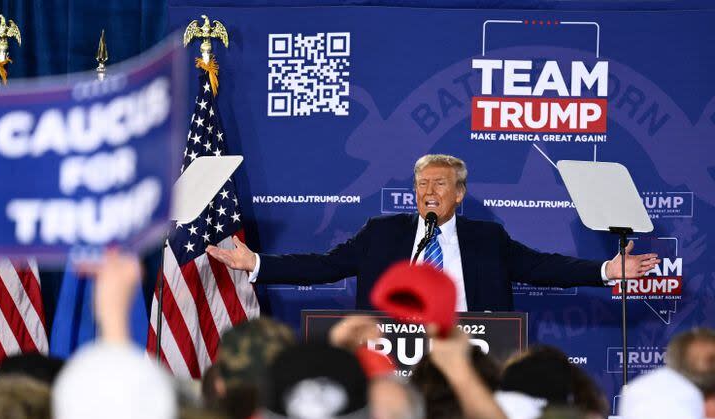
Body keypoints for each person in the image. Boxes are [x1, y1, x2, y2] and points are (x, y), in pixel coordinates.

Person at [206, 154, 660, 311]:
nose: (428, 191)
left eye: (439, 184)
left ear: (459, 193)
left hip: (471, 349)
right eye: (421, 184)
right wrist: (257, 263)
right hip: (393, 352)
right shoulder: (382, 233)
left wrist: (606, 269)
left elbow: (543, 267)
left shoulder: (487, 238)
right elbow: (326, 266)